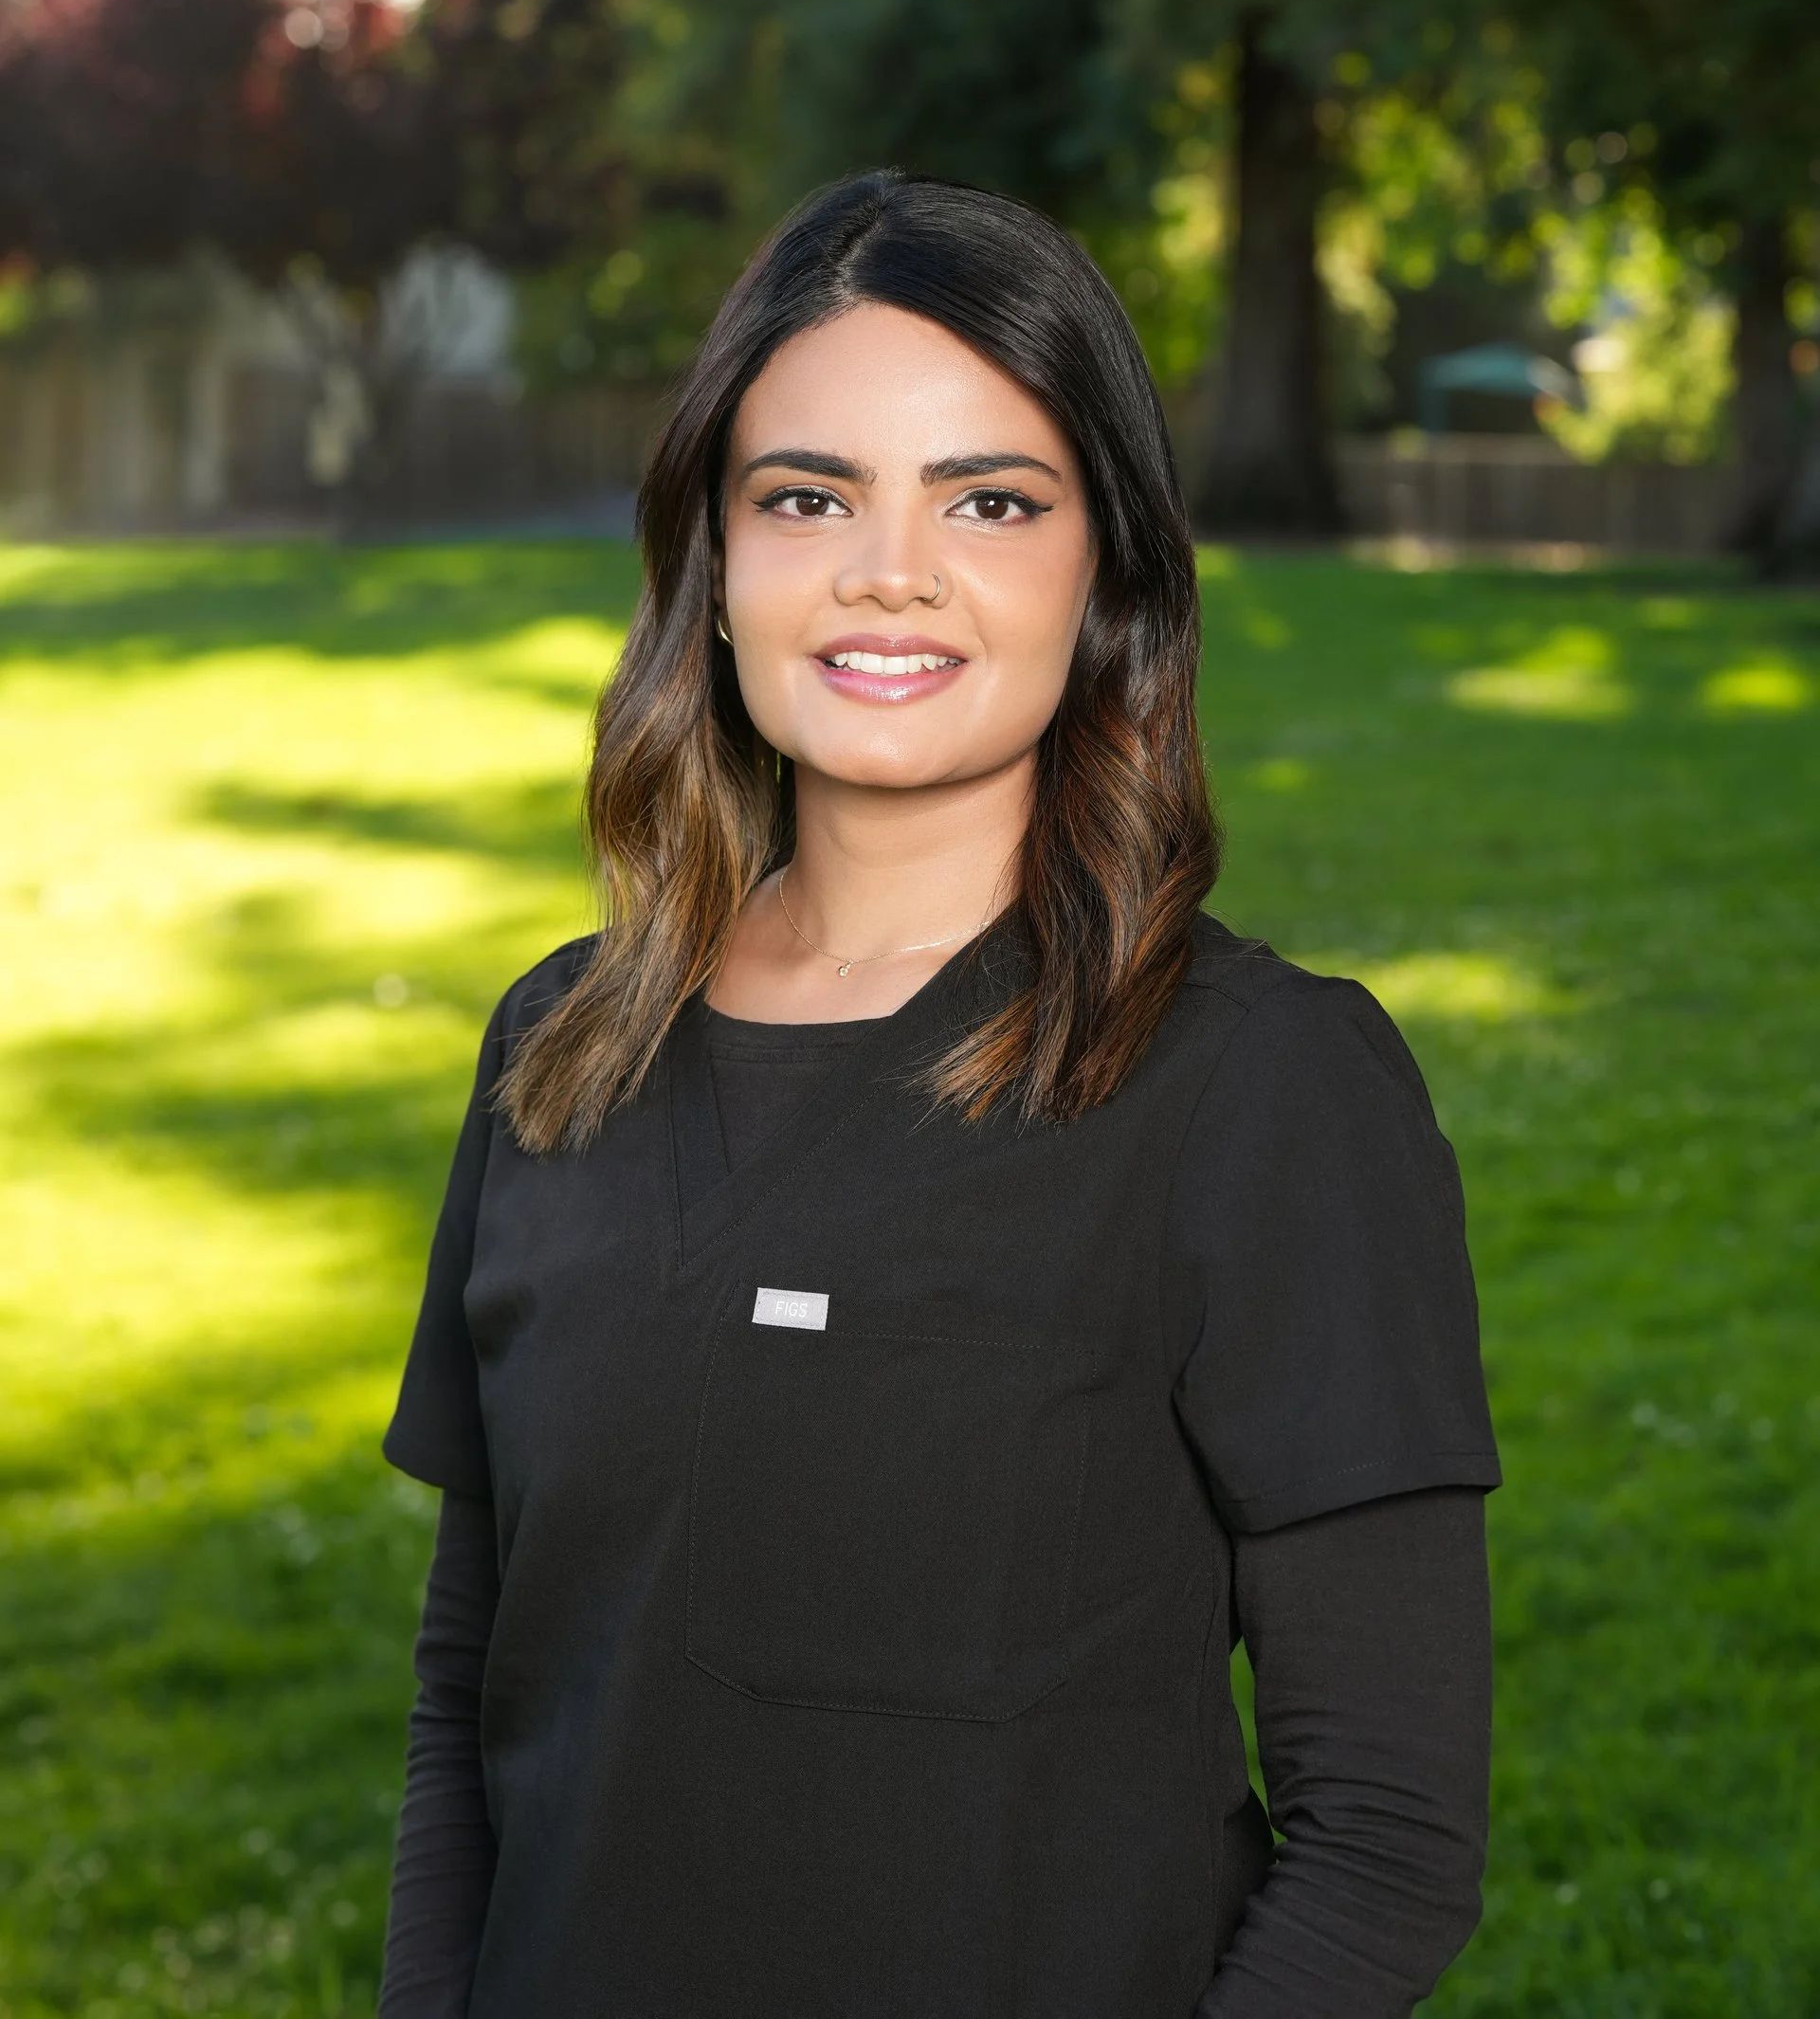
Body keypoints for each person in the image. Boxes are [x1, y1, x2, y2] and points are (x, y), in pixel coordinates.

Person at [375, 169, 1504, 2018]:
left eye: (989, 499)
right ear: (714, 567)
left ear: (1109, 570)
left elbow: (1386, 1835)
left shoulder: (1260, 1093)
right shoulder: (556, 1055)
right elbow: (471, 1702)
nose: (887, 568)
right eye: (807, 496)